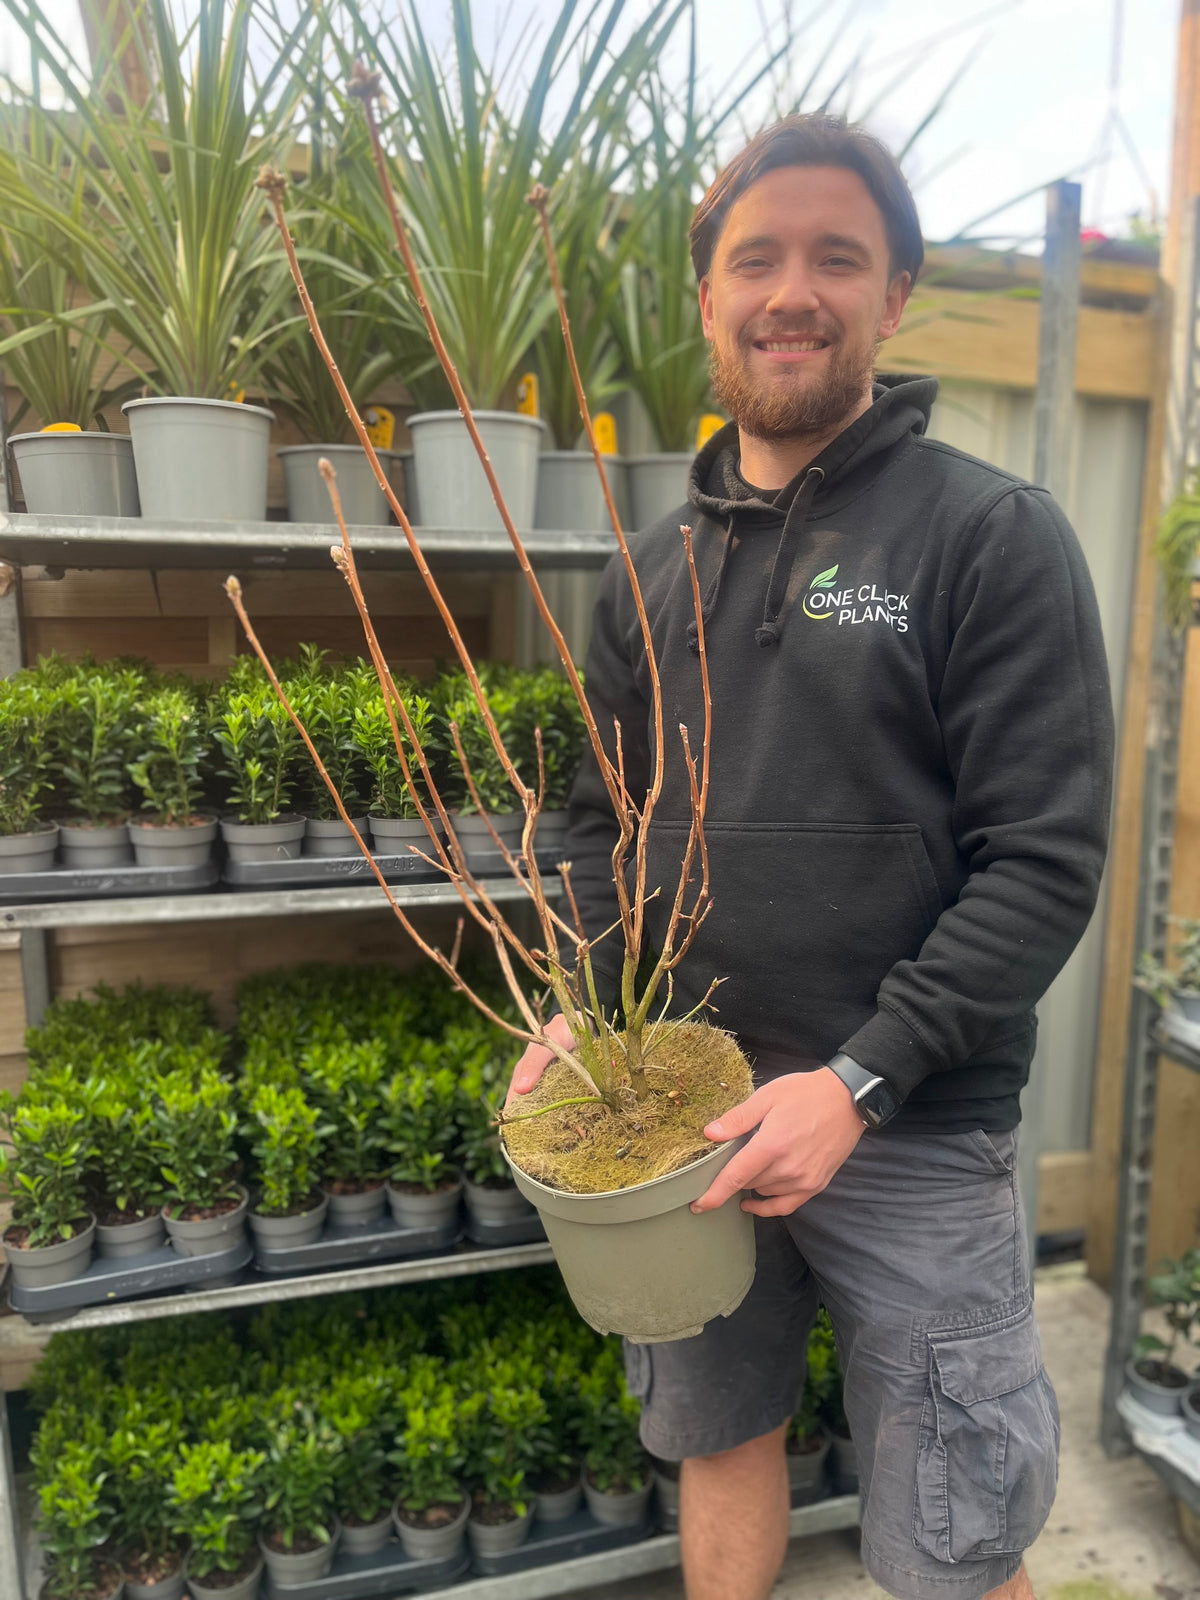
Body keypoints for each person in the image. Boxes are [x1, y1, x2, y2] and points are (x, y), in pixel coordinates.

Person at [508, 113, 1114, 1600]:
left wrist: (859, 1079)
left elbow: (1043, 860)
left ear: (893, 296)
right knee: (721, 1440)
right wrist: (588, 1005)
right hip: (683, 1122)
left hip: (905, 1128)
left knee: (957, 1528)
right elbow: (600, 824)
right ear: (706, 296)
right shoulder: (649, 576)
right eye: (756, 257)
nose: (794, 290)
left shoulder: (990, 538)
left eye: (837, 257)